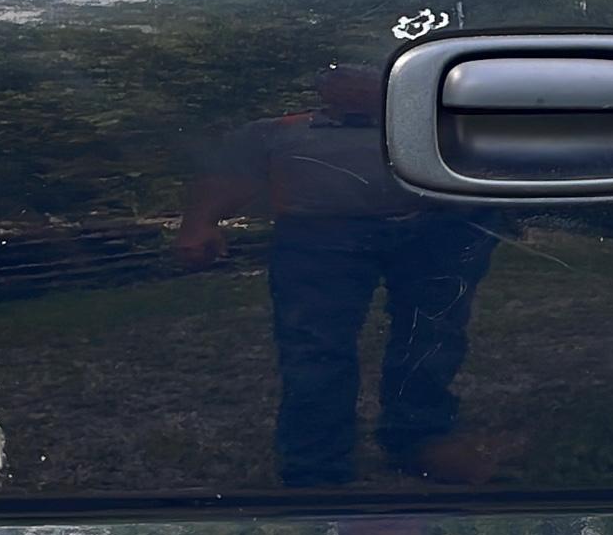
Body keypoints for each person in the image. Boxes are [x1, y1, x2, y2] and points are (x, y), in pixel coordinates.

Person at [179, 65, 501, 489]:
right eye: (338, 74)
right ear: (322, 86)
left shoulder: (431, 125)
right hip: (317, 238)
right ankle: (316, 464)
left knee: (431, 335)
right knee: (315, 345)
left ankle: (419, 437)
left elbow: (486, 170)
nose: (351, 83)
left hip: (430, 229)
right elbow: (227, 179)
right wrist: (200, 224)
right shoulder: (279, 130)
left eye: (364, 73)